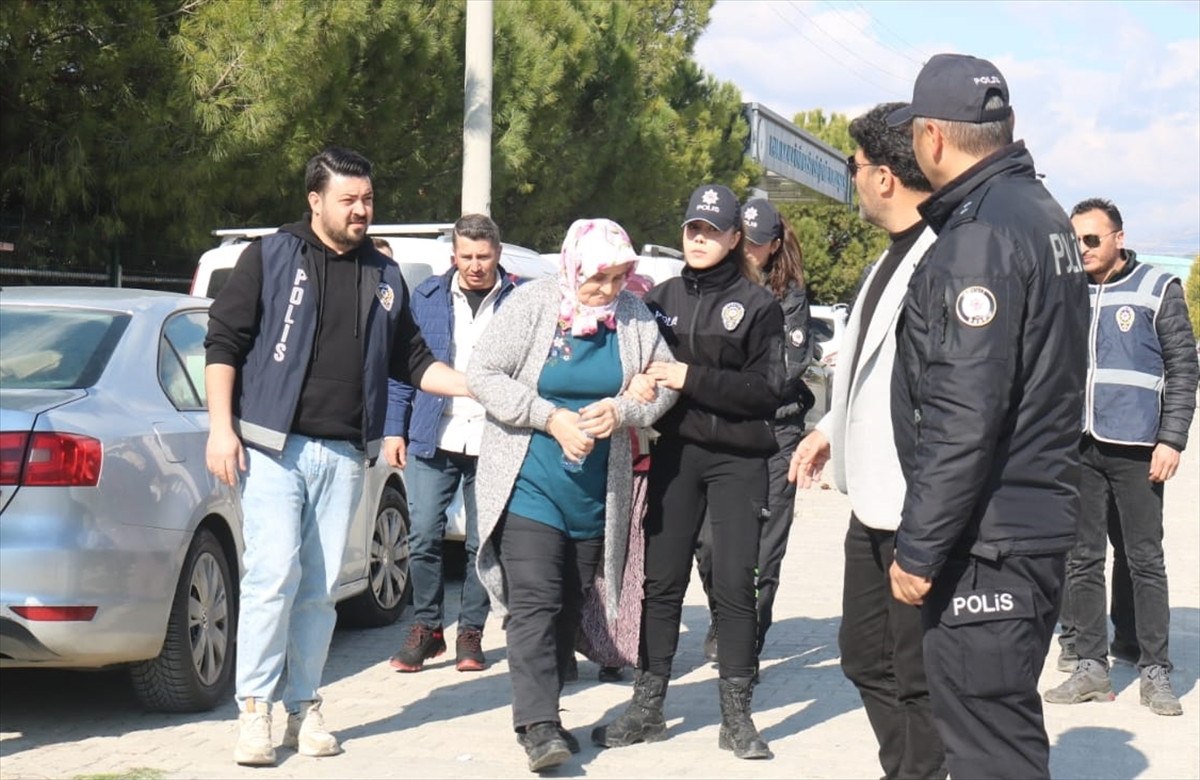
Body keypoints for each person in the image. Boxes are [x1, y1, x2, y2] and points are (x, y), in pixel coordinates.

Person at [204, 147, 468, 767]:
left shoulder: (384, 274)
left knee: (321, 590)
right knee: (272, 577)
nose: (361, 210)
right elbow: (223, 343)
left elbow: (413, 360)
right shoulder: (269, 256)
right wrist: (221, 430)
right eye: (348, 199)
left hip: (347, 454)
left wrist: (478, 386)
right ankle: (255, 711)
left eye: (367, 199)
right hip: (273, 449)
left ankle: (303, 706)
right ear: (315, 200)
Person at [885, 55, 1089, 779]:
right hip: (1027, 523)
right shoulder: (1039, 210)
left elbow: (964, 413)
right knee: (1000, 733)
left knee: (989, 749)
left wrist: (918, 548)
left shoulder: (979, 237)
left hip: (990, 541)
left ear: (932, 138)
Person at [468, 218, 677, 773]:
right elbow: (483, 373)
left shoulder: (633, 316)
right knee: (535, 601)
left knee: (567, 602)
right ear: (573, 268)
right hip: (528, 483)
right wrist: (549, 416)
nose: (608, 290)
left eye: (619, 278)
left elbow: (662, 385)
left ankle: (549, 712)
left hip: (592, 494)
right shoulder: (534, 304)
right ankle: (537, 726)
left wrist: (623, 410)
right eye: (598, 278)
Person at [593, 184, 785, 761]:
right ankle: (648, 706)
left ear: (734, 238)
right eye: (692, 229)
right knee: (661, 581)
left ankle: (737, 717)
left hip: (738, 460)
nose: (699, 239)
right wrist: (633, 381)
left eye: (712, 230)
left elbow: (766, 391)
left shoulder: (758, 305)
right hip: (675, 454)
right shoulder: (659, 298)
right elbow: (628, 360)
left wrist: (688, 377)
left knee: (734, 583)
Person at [789, 101, 944, 780]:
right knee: (861, 655)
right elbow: (863, 368)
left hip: (917, 501)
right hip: (872, 497)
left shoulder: (940, 259)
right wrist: (828, 430)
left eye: (855, 166)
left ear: (884, 176)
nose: (852, 179)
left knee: (915, 672)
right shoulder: (886, 261)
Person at [1044, 198, 1198, 715]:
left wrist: (1171, 439)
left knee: (1144, 560)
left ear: (1119, 238)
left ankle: (1155, 668)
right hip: (1079, 444)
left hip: (1138, 449)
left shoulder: (1157, 288)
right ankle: (1091, 666)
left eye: (1091, 239)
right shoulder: (1067, 289)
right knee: (1082, 559)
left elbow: (1183, 368)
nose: (1082, 249)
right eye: (1075, 241)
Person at [384, 214, 516, 673]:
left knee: (483, 543)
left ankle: (470, 632)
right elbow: (403, 368)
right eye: (466, 256)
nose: (475, 266)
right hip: (432, 433)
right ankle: (427, 628)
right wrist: (394, 428)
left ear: (498, 254)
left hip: (494, 438)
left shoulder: (519, 300)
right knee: (422, 533)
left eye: (483, 257)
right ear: (453, 255)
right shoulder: (426, 297)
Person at [695, 196, 813, 663]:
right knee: (708, 542)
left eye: (757, 244)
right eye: (743, 241)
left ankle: (749, 634)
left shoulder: (790, 297)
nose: (748, 251)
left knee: (765, 545)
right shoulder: (715, 287)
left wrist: (736, 385)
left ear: (774, 246)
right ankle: (725, 614)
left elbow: (790, 365)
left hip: (777, 432)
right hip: (723, 429)